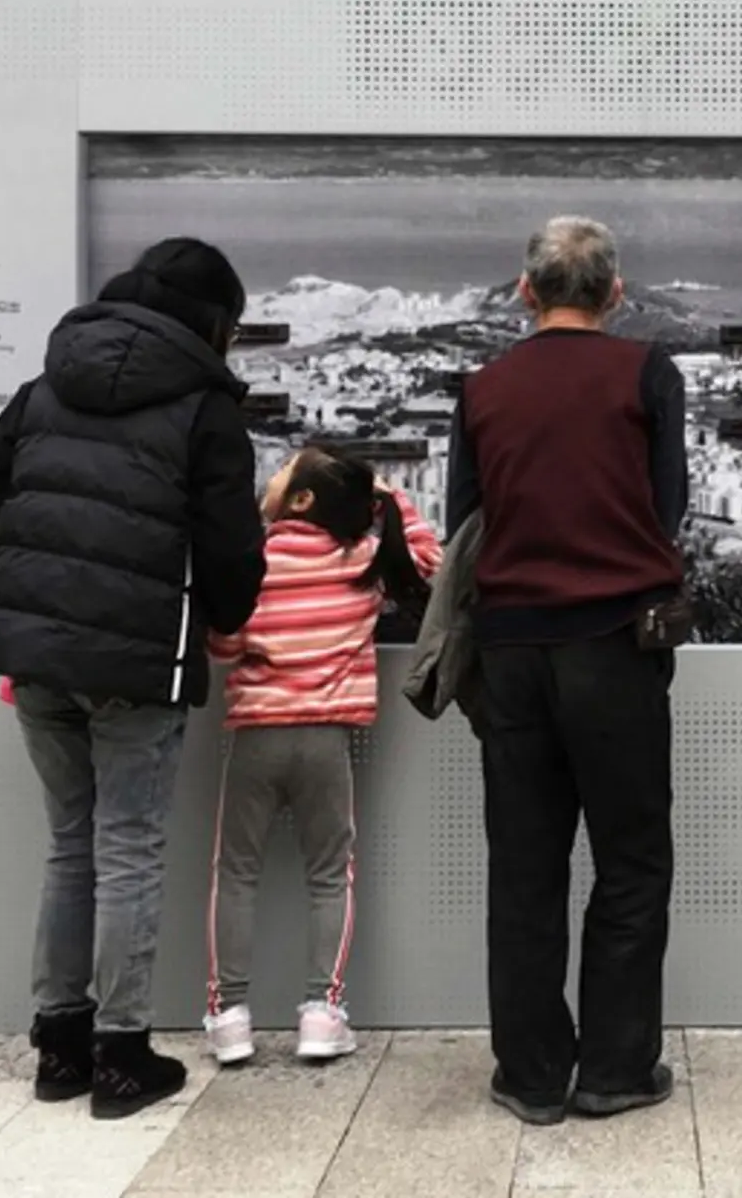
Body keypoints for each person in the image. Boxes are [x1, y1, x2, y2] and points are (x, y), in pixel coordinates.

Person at [0, 237, 267, 1122]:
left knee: (71, 843)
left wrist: (56, 572)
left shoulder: (45, 385)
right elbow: (230, 553)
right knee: (129, 847)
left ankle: (59, 1046)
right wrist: (217, 613)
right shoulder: (205, 410)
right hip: (135, 661)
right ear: (214, 322)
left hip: (37, 654)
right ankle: (123, 1055)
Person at [446, 216, 689, 1126]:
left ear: (526, 291)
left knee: (524, 865)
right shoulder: (647, 373)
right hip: (618, 643)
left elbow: (464, 520)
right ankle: (615, 1068)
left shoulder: (481, 387)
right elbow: (668, 507)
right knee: (631, 859)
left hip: (511, 649)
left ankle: (532, 1073)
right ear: (615, 293)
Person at [201, 446, 441, 1067]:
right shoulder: (362, 560)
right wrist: (390, 496)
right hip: (327, 742)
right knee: (331, 875)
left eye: (283, 471)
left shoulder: (252, 561)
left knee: (236, 872)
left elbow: (222, 646)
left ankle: (228, 1016)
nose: (271, 476)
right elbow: (427, 558)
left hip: (256, 738)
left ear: (301, 499)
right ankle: (322, 1012)